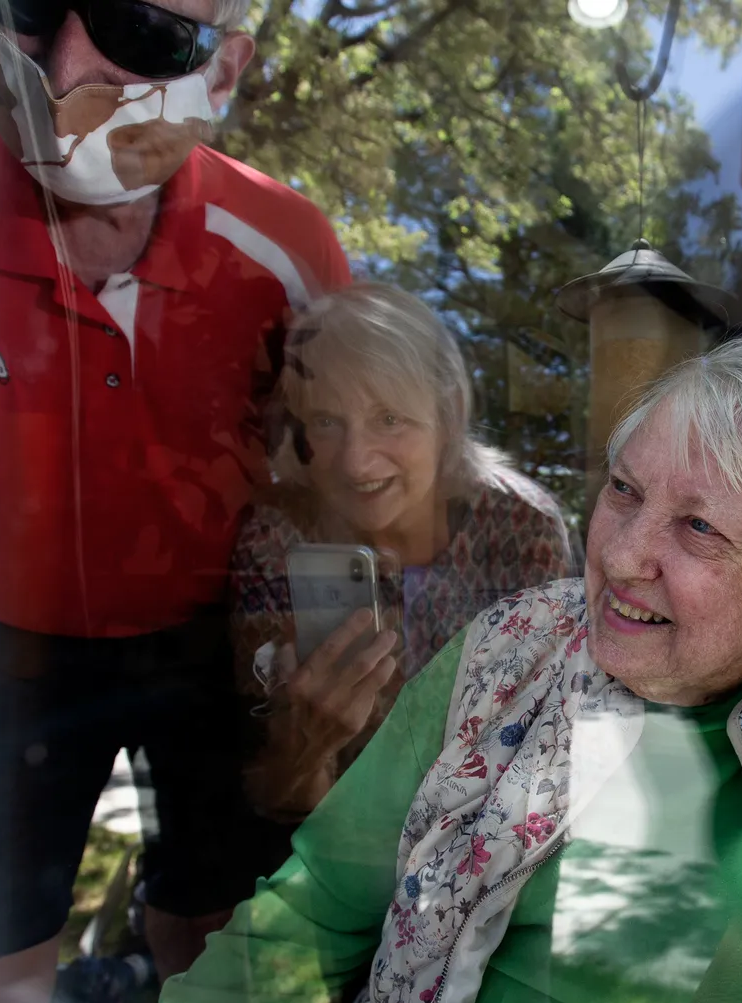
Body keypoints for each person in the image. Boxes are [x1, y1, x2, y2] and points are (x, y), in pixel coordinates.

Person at [158, 316, 742, 1003]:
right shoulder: (507, 655)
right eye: (623, 489)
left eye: (699, 527)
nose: (622, 557)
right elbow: (311, 910)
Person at [0, 0, 352, 1003]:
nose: (67, 61)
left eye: (144, 32)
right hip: (4, 636)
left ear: (227, 64)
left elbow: (347, 493)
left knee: (215, 935)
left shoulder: (287, 245)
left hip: (216, 638)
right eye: (30, 6)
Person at [229, 283, 576, 827]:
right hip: (332, 845)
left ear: (449, 413)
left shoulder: (521, 526)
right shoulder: (279, 537)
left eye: (389, 418)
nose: (356, 463)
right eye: (326, 421)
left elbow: (543, 750)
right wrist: (310, 744)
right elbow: (278, 800)